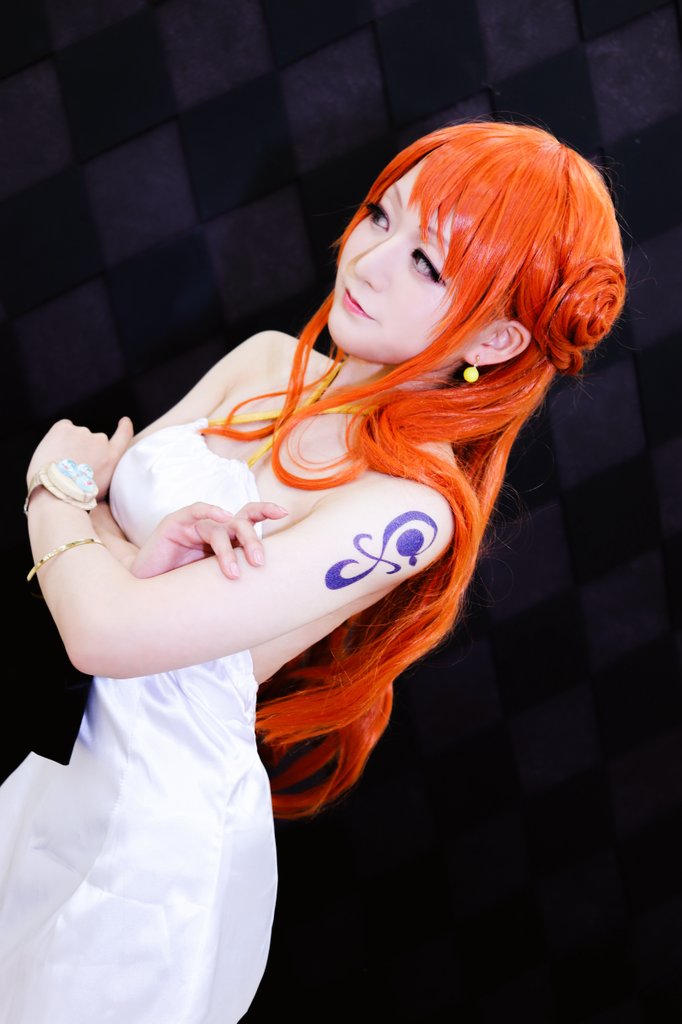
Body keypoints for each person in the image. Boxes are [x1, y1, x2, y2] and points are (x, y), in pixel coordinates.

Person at [0, 118, 626, 1023]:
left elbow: (101, 624)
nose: (370, 262)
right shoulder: (266, 360)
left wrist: (48, 489)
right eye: (382, 217)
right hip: (58, 751)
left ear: (494, 341)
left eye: (429, 264)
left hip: (150, 826)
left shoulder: (410, 510)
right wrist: (106, 535)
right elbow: (106, 556)